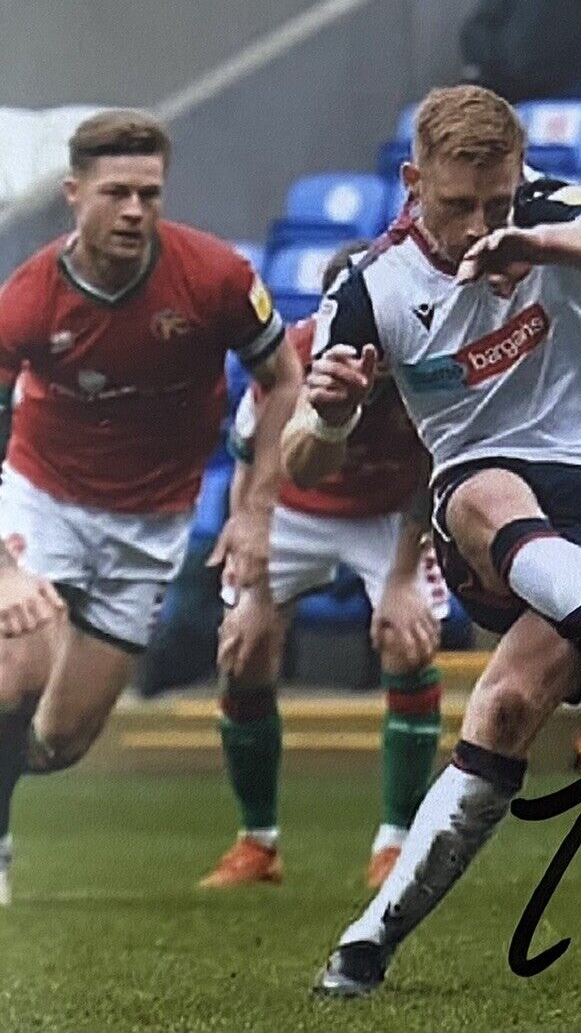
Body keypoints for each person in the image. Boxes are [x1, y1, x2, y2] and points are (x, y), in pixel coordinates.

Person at [293, 85, 581, 997]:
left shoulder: (545, 214)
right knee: (481, 486)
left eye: (498, 199)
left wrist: (530, 241)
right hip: (489, 505)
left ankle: (368, 942)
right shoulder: (368, 287)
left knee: (502, 711)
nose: (478, 223)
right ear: (414, 183)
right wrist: (329, 418)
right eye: (457, 206)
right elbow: (300, 453)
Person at [0, 109, 301, 905]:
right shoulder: (28, 300)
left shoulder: (216, 278)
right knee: (10, 669)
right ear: (74, 195)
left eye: (149, 193)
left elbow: (284, 380)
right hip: (44, 498)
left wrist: (255, 512)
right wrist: (2, 565)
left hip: (151, 524)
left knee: (59, 743)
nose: (135, 210)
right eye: (116, 193)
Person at [199, 242, 449, 892]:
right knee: (244, 647)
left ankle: (396, 843)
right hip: (293, 507)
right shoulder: (295, 357)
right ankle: (258, 843)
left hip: (394, 514)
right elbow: (251, 461)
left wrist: (400, 580)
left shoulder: (434, 353)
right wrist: (252, 573)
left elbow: (435, 471)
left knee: (407, 638)